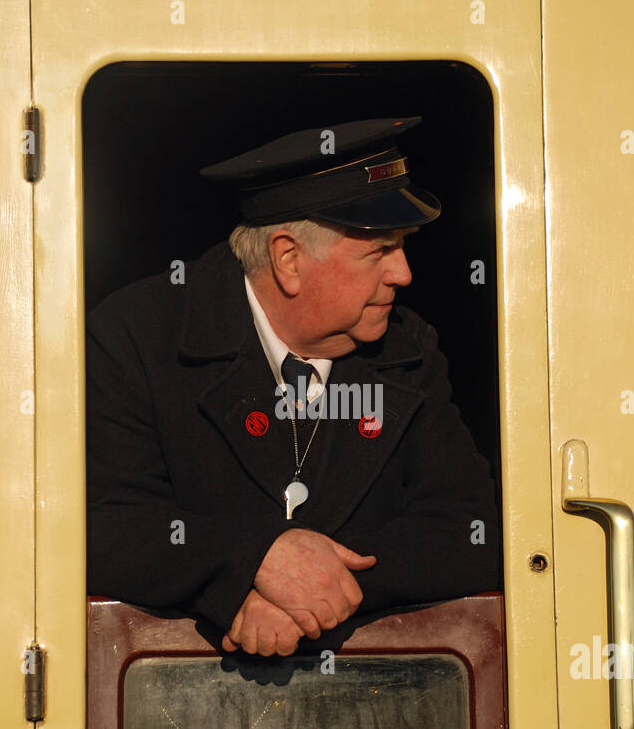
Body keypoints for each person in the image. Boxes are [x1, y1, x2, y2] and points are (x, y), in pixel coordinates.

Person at [86, 116, 500, 657]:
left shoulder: (410, 350)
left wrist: (306, 590)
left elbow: (474, 531)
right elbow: (101, 525)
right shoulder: (136, 338)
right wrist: (245, 565)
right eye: (380, 252)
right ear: (289, 260)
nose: (404, 274)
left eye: (403, 248)